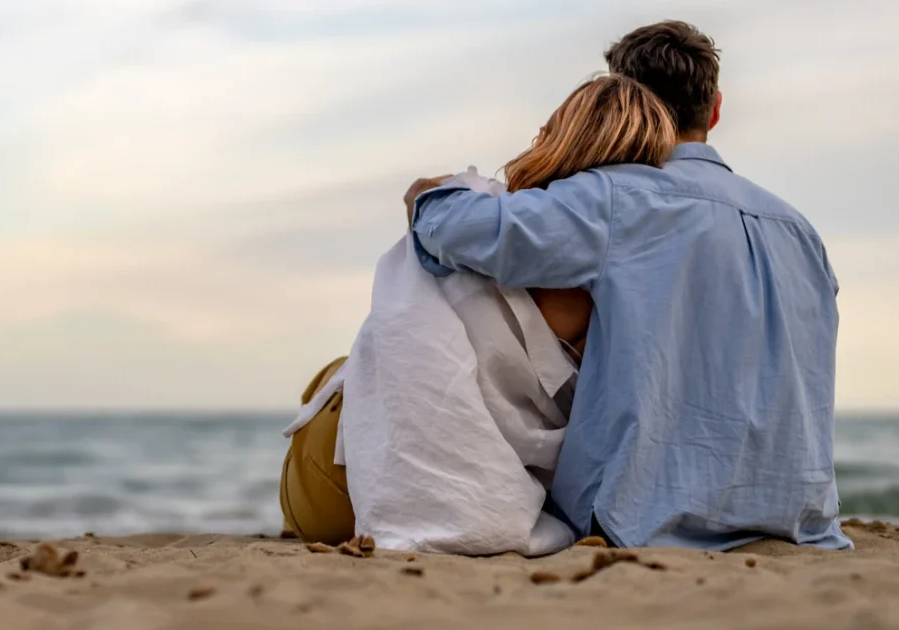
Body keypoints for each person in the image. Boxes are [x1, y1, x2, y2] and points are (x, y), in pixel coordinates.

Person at [403, 21, 850, 550]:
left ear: (631, 103)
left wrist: (430, 196)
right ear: (716, 109)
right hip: (799, 524)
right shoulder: (800, 232)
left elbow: (462, 231)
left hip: (645, 520)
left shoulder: (614, 200)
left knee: (428, 267)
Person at [279, 74, 678, 554]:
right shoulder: (648, 273)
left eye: (548, 132)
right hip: (500, 481)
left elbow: (421, 198)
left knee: (339, 375)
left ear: (567, 139)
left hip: (344, 479)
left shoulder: (494, 218)